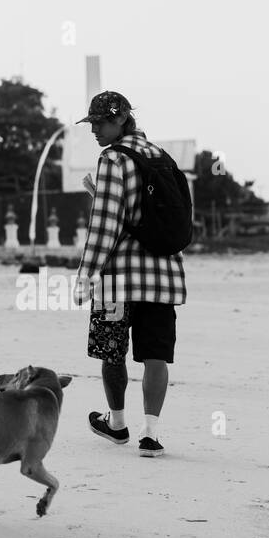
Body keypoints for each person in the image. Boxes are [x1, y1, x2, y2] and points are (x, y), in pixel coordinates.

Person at [72, 91, 186, 457]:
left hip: (118, 278)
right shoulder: (163, 157)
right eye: (91, 123)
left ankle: (117, 424)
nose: (95, 130)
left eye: (100, 122)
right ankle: (150, 435)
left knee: (112, 352)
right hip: (163, 275)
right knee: (156, 355)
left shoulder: (113, 159)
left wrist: (86, 274)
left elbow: (105, 225)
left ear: (121, 120)